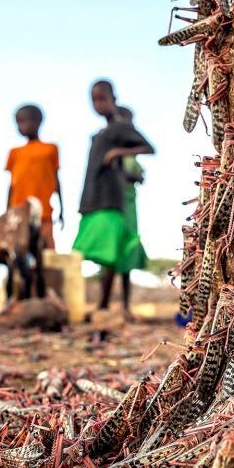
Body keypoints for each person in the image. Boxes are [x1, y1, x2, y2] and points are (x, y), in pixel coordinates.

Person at [73, 80, 154, 320]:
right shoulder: (100, 133)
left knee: (111, 254)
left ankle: (104, 306)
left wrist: (118, 152)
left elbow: (148, 148)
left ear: (113, 98)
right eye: (94, 100)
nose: (98, 104)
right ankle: (104, 305)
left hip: (113, 200)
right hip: (94, 198)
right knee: (98, 251)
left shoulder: (120, 127)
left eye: (102, 99)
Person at [6, 104, 64, 250]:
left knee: (46, 248)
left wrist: (62, 209)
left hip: (43, 211)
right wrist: (7, 212)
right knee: (17, 249)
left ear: (37, 121)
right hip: (18, 212)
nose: (19, 127)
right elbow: (12, 185)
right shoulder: (15, 152)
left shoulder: (51, 149)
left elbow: (57, 180)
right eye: (17, 123)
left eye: (22, 121)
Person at [116, 106, 149, 276]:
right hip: (115, 204)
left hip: (129, 203)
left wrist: (132, 175)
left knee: (129, 246)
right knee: (113, 247)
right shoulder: (112, 150)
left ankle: (126, 300)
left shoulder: (131, 155)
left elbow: (141, 177)